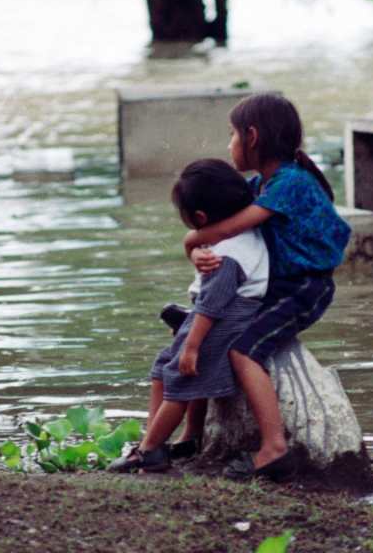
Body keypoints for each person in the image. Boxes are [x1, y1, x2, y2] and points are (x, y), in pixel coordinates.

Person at [184, 93, 351, 481]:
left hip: (303, 289)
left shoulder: (289, 182)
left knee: (244, 352)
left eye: (232, 135)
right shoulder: (263, 182)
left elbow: (227, 229)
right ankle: (191, 434)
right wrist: (197, 254)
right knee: (209, 333)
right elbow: (223, 240)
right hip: (275, 285)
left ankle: (274, 449)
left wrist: (190, 242)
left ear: (252, 136)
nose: (229, 144)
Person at [110, 159, 269, 473]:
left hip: (219, 324)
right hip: (210, 318)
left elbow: (212, 305)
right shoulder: (240, 235)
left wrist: (192, 345)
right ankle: (169, 439)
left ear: (200, 218)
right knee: (162, 369)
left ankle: (150, 450)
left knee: (181, 379)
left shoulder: (228, 257)